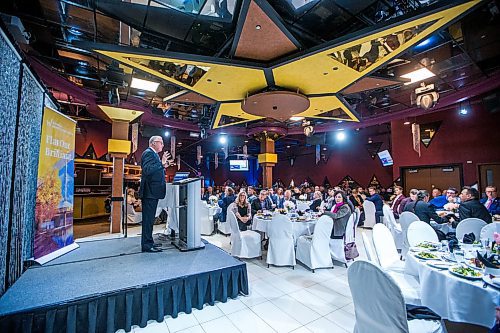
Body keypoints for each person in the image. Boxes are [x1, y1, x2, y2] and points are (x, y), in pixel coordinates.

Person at [139, 136, 169, 253]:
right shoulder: (148, 153)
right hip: (149, 192)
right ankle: (146, 245)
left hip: (152, 192)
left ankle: (149, 242)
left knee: (150, 219)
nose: (162, 144)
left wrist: (163, 166)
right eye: (160, 142)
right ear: (153, 143)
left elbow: (153, 170)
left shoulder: (154, 154)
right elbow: (147, 170)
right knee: (148, 220)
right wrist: (161, 164)